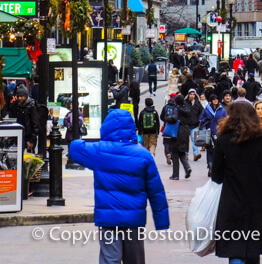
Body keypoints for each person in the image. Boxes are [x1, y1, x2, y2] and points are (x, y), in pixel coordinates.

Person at [70, 108, 169, 264]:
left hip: (108, 218)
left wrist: (98, 141)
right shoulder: (143, 155)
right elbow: (156, 191)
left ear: (107, 127)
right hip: (134, 219)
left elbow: (75, 148)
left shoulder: (99, 151)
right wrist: (161, 220)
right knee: (135, 260)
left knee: (110, 259)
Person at [212, 102, 262, 264]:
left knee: (234, 248)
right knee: (252, 248)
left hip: (231, 201)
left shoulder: (223, 140)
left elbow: (216, 175)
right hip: (257, 201)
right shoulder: (261, 140)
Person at [199, 93, 227, 174]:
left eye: (216, 99)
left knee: (218, 150)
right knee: (210, 150)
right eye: (214, 99)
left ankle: (216, 167)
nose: (215, 101)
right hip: (209, 132)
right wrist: (205, 122)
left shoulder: (222, 109)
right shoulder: (206, 109)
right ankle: (210, 167)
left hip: (219, 133)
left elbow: (226, 120)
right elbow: (201, 120)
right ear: (211, 101)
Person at [11, 85, 40, 153]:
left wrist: (32, 140)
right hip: (22, 136)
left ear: (26, 96)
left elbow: (35, 124)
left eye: (22, 96)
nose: (20, 98)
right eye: (18, 96)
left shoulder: (31, 106)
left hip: (28, 137)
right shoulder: (19, 106)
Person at [169, 95, 192, 180]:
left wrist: (168, 118)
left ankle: (175, 175)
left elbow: (174, 118)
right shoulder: (187, 109)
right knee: (181, 152)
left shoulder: (176, 109)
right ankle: (187, 168)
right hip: (185, 131)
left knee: (174, 153)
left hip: (177, 131)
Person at [186, 89, 204, 161]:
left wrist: (198, 119)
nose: (192, 96)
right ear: (188, 95)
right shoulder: (185, 103)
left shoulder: (198, 103)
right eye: (191, 94)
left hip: (195, 124)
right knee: (186, 140)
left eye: (193, 94)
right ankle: (186, 154)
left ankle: (196, 154)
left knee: (194, 139)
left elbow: (202, 112)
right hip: (186, 124)